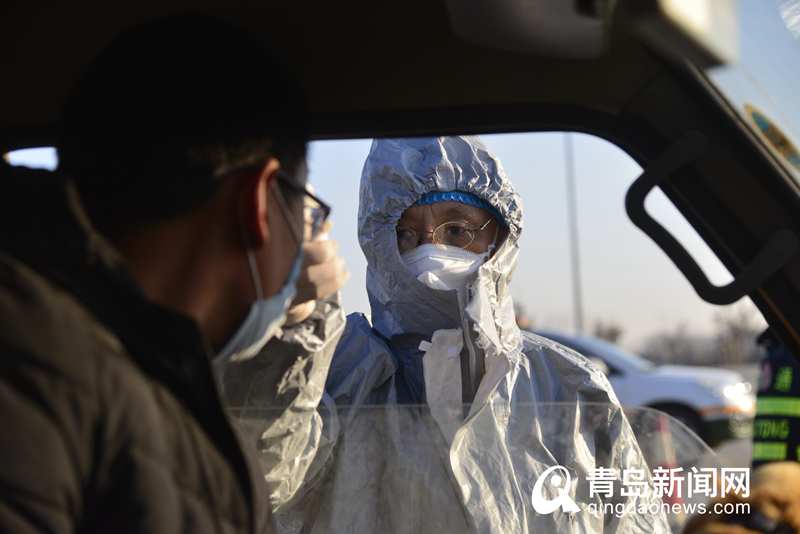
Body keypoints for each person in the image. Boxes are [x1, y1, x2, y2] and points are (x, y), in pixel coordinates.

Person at [0, 15, 346, 534]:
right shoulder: (40, 368)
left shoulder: (113, 360)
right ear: (258, 203)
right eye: (303, 209)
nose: (307, 238)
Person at [225, 136, 669, 532]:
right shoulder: (340, 373)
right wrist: (294, 333)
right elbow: (262, 475)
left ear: (500, 238)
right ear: (380, 247)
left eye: (457, 230)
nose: (431, 250)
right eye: (406, 234)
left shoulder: (569, 387)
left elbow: (634, 521)